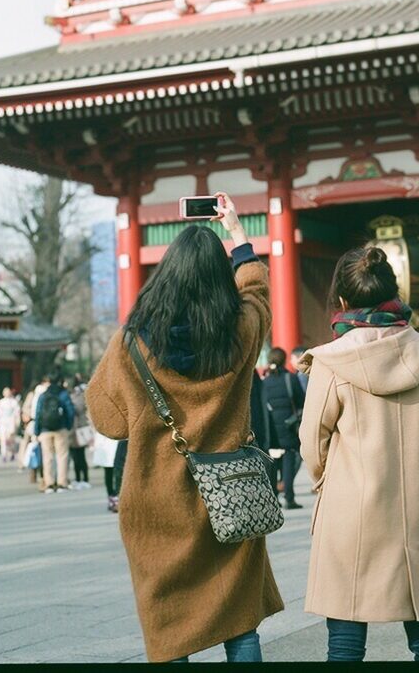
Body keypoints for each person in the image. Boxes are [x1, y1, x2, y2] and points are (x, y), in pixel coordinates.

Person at [87, 193, 283, 663]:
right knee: (240, 621)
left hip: (156, 501)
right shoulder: (240, 330)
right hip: (230, 494)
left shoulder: (131, 341)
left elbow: (107, 420)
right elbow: (256, 288)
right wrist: (236, 234)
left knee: (168, 626)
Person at [296, 245, 419, 662]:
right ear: (391, 294)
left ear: (342, 301)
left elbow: (312, 440)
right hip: (413, 505)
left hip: (350, 511)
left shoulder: (331, 362)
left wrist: (325, 479)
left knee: (345, 634)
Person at [262, 347, 307, 509]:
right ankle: (289, 497)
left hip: (272, 427)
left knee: (273, 461)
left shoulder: (265, 382)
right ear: (284, 360)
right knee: (289, 458)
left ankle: (274, 497)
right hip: (289, 425)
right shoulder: (290, 379)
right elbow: (301, 401)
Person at [35, 371, 75, 492]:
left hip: (45, 430)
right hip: (61, 429)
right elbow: (70, 411)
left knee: (47, 457)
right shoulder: (63, 394)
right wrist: (68, 426)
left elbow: (38, 414)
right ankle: (62, 483)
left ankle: (49, 483)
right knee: (62, 456)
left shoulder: (43, 395)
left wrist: (37, 430)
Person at [68, 375, 93, 489]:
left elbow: (79, 408)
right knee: (75, 455)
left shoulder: (78, 395)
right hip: (74, 428)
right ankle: (78, 478)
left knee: (80, 455)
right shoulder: (74, 395)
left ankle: (84, 479)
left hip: (79, 428)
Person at [91, 429, 124, 512]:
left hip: (114, 439)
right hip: (106, 440)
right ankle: (113, 497)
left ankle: (116, 497)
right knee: (111, 470)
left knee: (116, 470)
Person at [0, 387, 21, 464]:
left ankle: (12, 452)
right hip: (3, 422)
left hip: (11, 421)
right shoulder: (1, 402)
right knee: (3, 439)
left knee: (11, 439)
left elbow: (17, 412)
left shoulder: (14, 402)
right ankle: (4, 454)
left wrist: (17, 422)